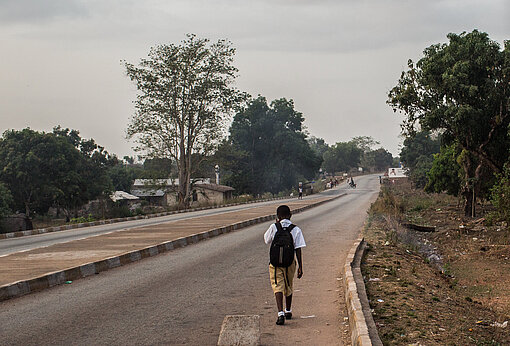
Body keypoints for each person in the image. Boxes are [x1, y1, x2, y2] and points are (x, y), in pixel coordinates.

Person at [264, 205, 306, 325]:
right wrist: (300, 267)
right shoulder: (295, 229)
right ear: (290, 215)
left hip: (275, 263)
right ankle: (288, 310)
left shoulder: (274, 227)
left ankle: (280, 313)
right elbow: (298, 249)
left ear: (278, 217)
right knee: (288, 284)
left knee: (277, 286)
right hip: (289, 263)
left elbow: (266, 240)